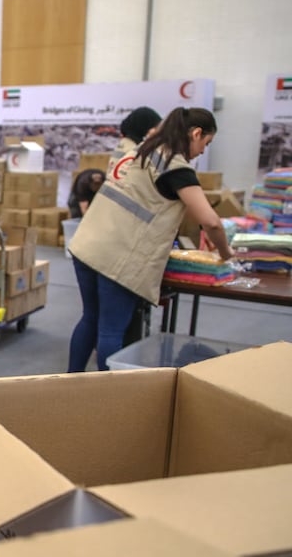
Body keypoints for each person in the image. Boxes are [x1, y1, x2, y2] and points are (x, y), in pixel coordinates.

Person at [67, 107, 234, 373]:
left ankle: (70, 380)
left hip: (87, 245)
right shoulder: (176, 167)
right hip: (117, 257)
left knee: (90, 319)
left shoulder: (140, 151)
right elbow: (211, 221)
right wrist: (227, 255)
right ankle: (103, 397)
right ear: (196, 133)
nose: (203, 151)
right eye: (206, 143)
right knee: (111, 330)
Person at [108, 106, 162, 173]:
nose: (157, 131)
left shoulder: (125, 144)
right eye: (154, 127)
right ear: (143, 127)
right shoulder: (135, 151)